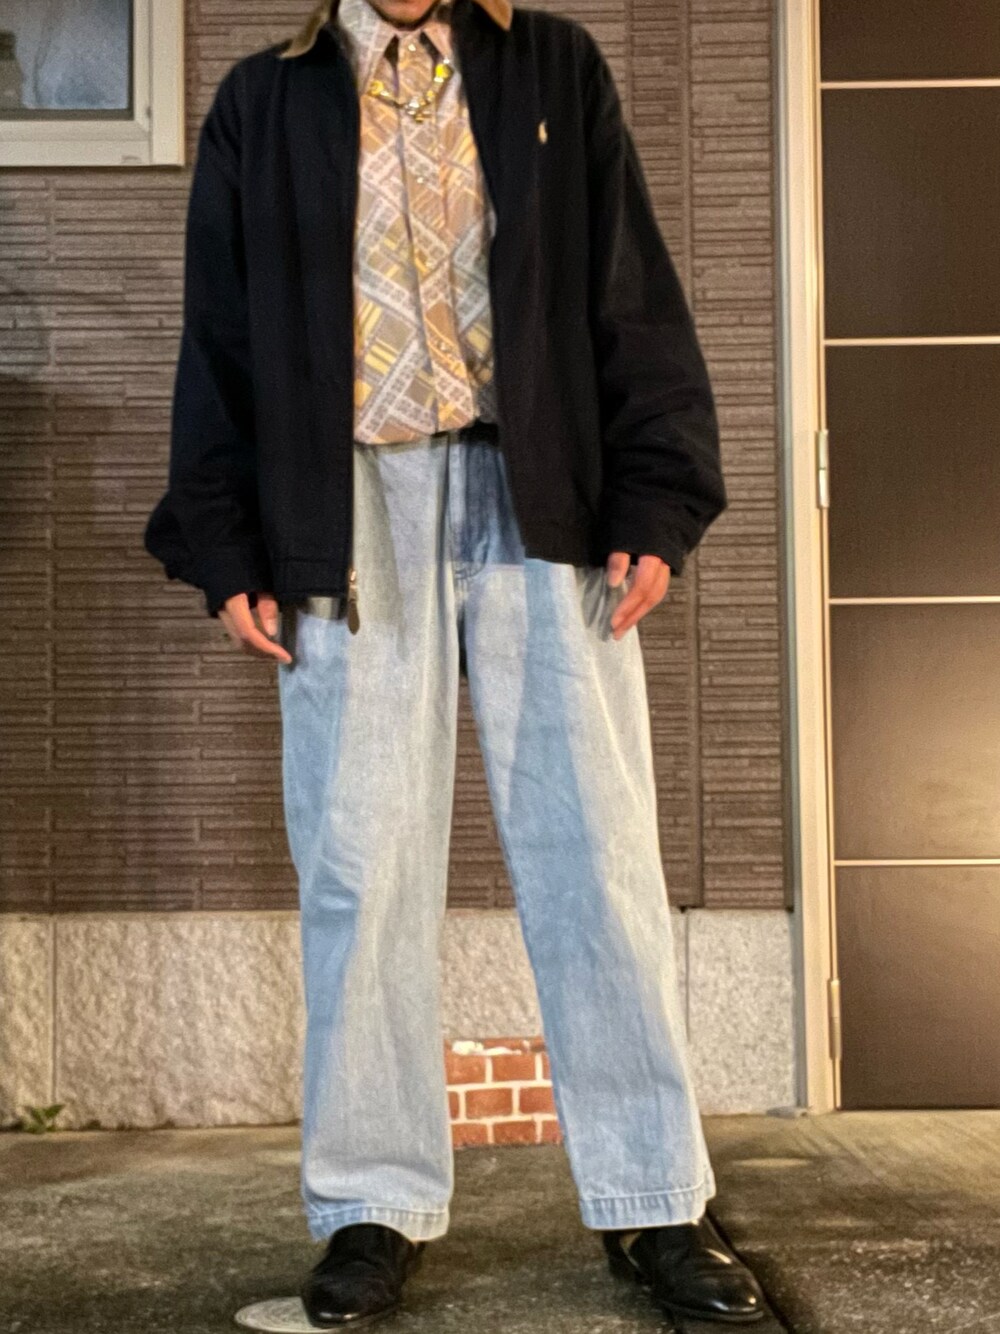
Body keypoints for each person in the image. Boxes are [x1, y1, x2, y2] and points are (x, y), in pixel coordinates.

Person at [144, 0, 766, 1326]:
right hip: (348, 507)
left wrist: (657, 497)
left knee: (598, 852)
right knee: (358, 865)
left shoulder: (552, 67)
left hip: (542, 492)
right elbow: (224, 336)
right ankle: (370, 1204)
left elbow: (627, 292)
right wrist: (226, 541)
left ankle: (654, 1197)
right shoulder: (266, 101)